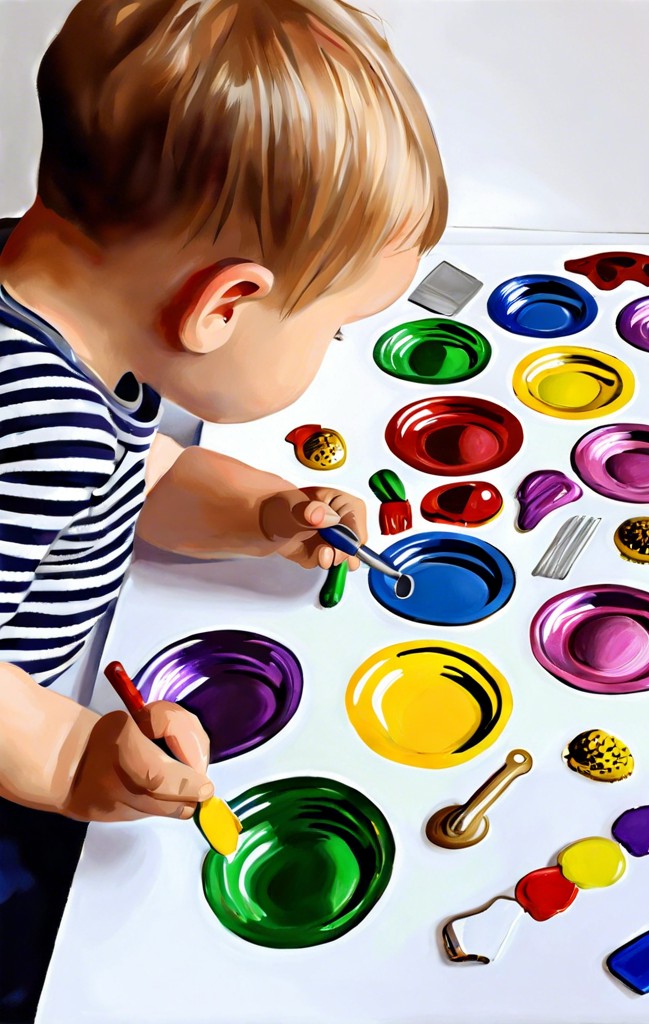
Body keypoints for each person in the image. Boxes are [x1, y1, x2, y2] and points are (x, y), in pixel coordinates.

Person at [0, 1, 446, 1015]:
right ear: (223, 306)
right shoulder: (34, 424)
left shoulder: (83, 322)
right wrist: (69, 756)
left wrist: (261, 511)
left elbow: (138, 472)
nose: (334, 352)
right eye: (332, 329)